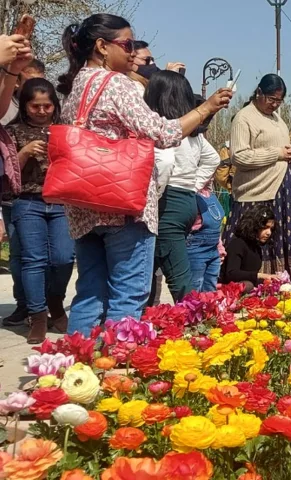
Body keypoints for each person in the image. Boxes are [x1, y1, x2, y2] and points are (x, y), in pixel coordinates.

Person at [57, 13, 232, 337]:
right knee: (128, 294)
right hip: (123, 205)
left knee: (90, 293)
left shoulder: (77, 84)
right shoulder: (115, 84)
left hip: (84, 205)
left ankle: (75, 367)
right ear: (101, 46)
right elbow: (162, 132)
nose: (132, 53)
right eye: (126, 44)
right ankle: (117, 370)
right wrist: (206, 108)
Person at [222, 74, 291, 284]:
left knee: (282, 237)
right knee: (255, 237)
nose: (274, 104)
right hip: (257, 191)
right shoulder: (244, 118)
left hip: (282, 188)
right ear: (259, 92)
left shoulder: (277, 119)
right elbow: (239, 156)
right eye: (271, 99)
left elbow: (280, 149)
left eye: (279, 101)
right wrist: (277, 153)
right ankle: (253, 281)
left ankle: (287, 281)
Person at [7, 78, 74, 343]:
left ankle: (55, 303)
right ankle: (37, 315)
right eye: (36, 106)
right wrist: (22, 153)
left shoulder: (64, 130)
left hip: (61, 202)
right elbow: (7, 175)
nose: (42, 111)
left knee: (64, 257)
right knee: (33, 260)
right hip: (28, 201)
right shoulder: (12, 133)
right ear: (25, 106)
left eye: (47, 106)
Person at [144, 70, 220, 302]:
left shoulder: (164, 129)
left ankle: (191, 320)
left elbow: (165, 162)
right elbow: (213, 159)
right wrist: (194, 185)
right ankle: (149, 313)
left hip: (167, 200)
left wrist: (154, 195)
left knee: (177, 274)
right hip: (186, 200)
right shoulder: (192, 133)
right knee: (155, 260)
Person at [0, 34, 34, 328]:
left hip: (45, 199)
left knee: (49, 257)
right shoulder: (10, 114)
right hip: (13, 197)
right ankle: (26, 306)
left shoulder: (53, 116)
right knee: (21, 256)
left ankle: (45, 305)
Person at [221, 205, 278, 291]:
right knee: (248, 285)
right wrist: (260, 275)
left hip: (247, 289)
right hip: (229, 290)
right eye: (265, 227)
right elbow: (231, 273)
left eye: (271, 229)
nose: (268, 233)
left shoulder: (256, 247)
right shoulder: (237, 244)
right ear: (254, 226)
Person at [187, 182, 225, 293]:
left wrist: (220, 248)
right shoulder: (191, 195)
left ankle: (209, 310)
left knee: (210, 289)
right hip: (196, 250)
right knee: (194, 288)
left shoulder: (210, 194)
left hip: (213, 251)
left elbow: (215, 227)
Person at [1, 59, 45, 125]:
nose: (37, 86)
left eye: (41, 82)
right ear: (17, 82)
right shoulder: (3, 107)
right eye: (31, 81)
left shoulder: (47, 109)